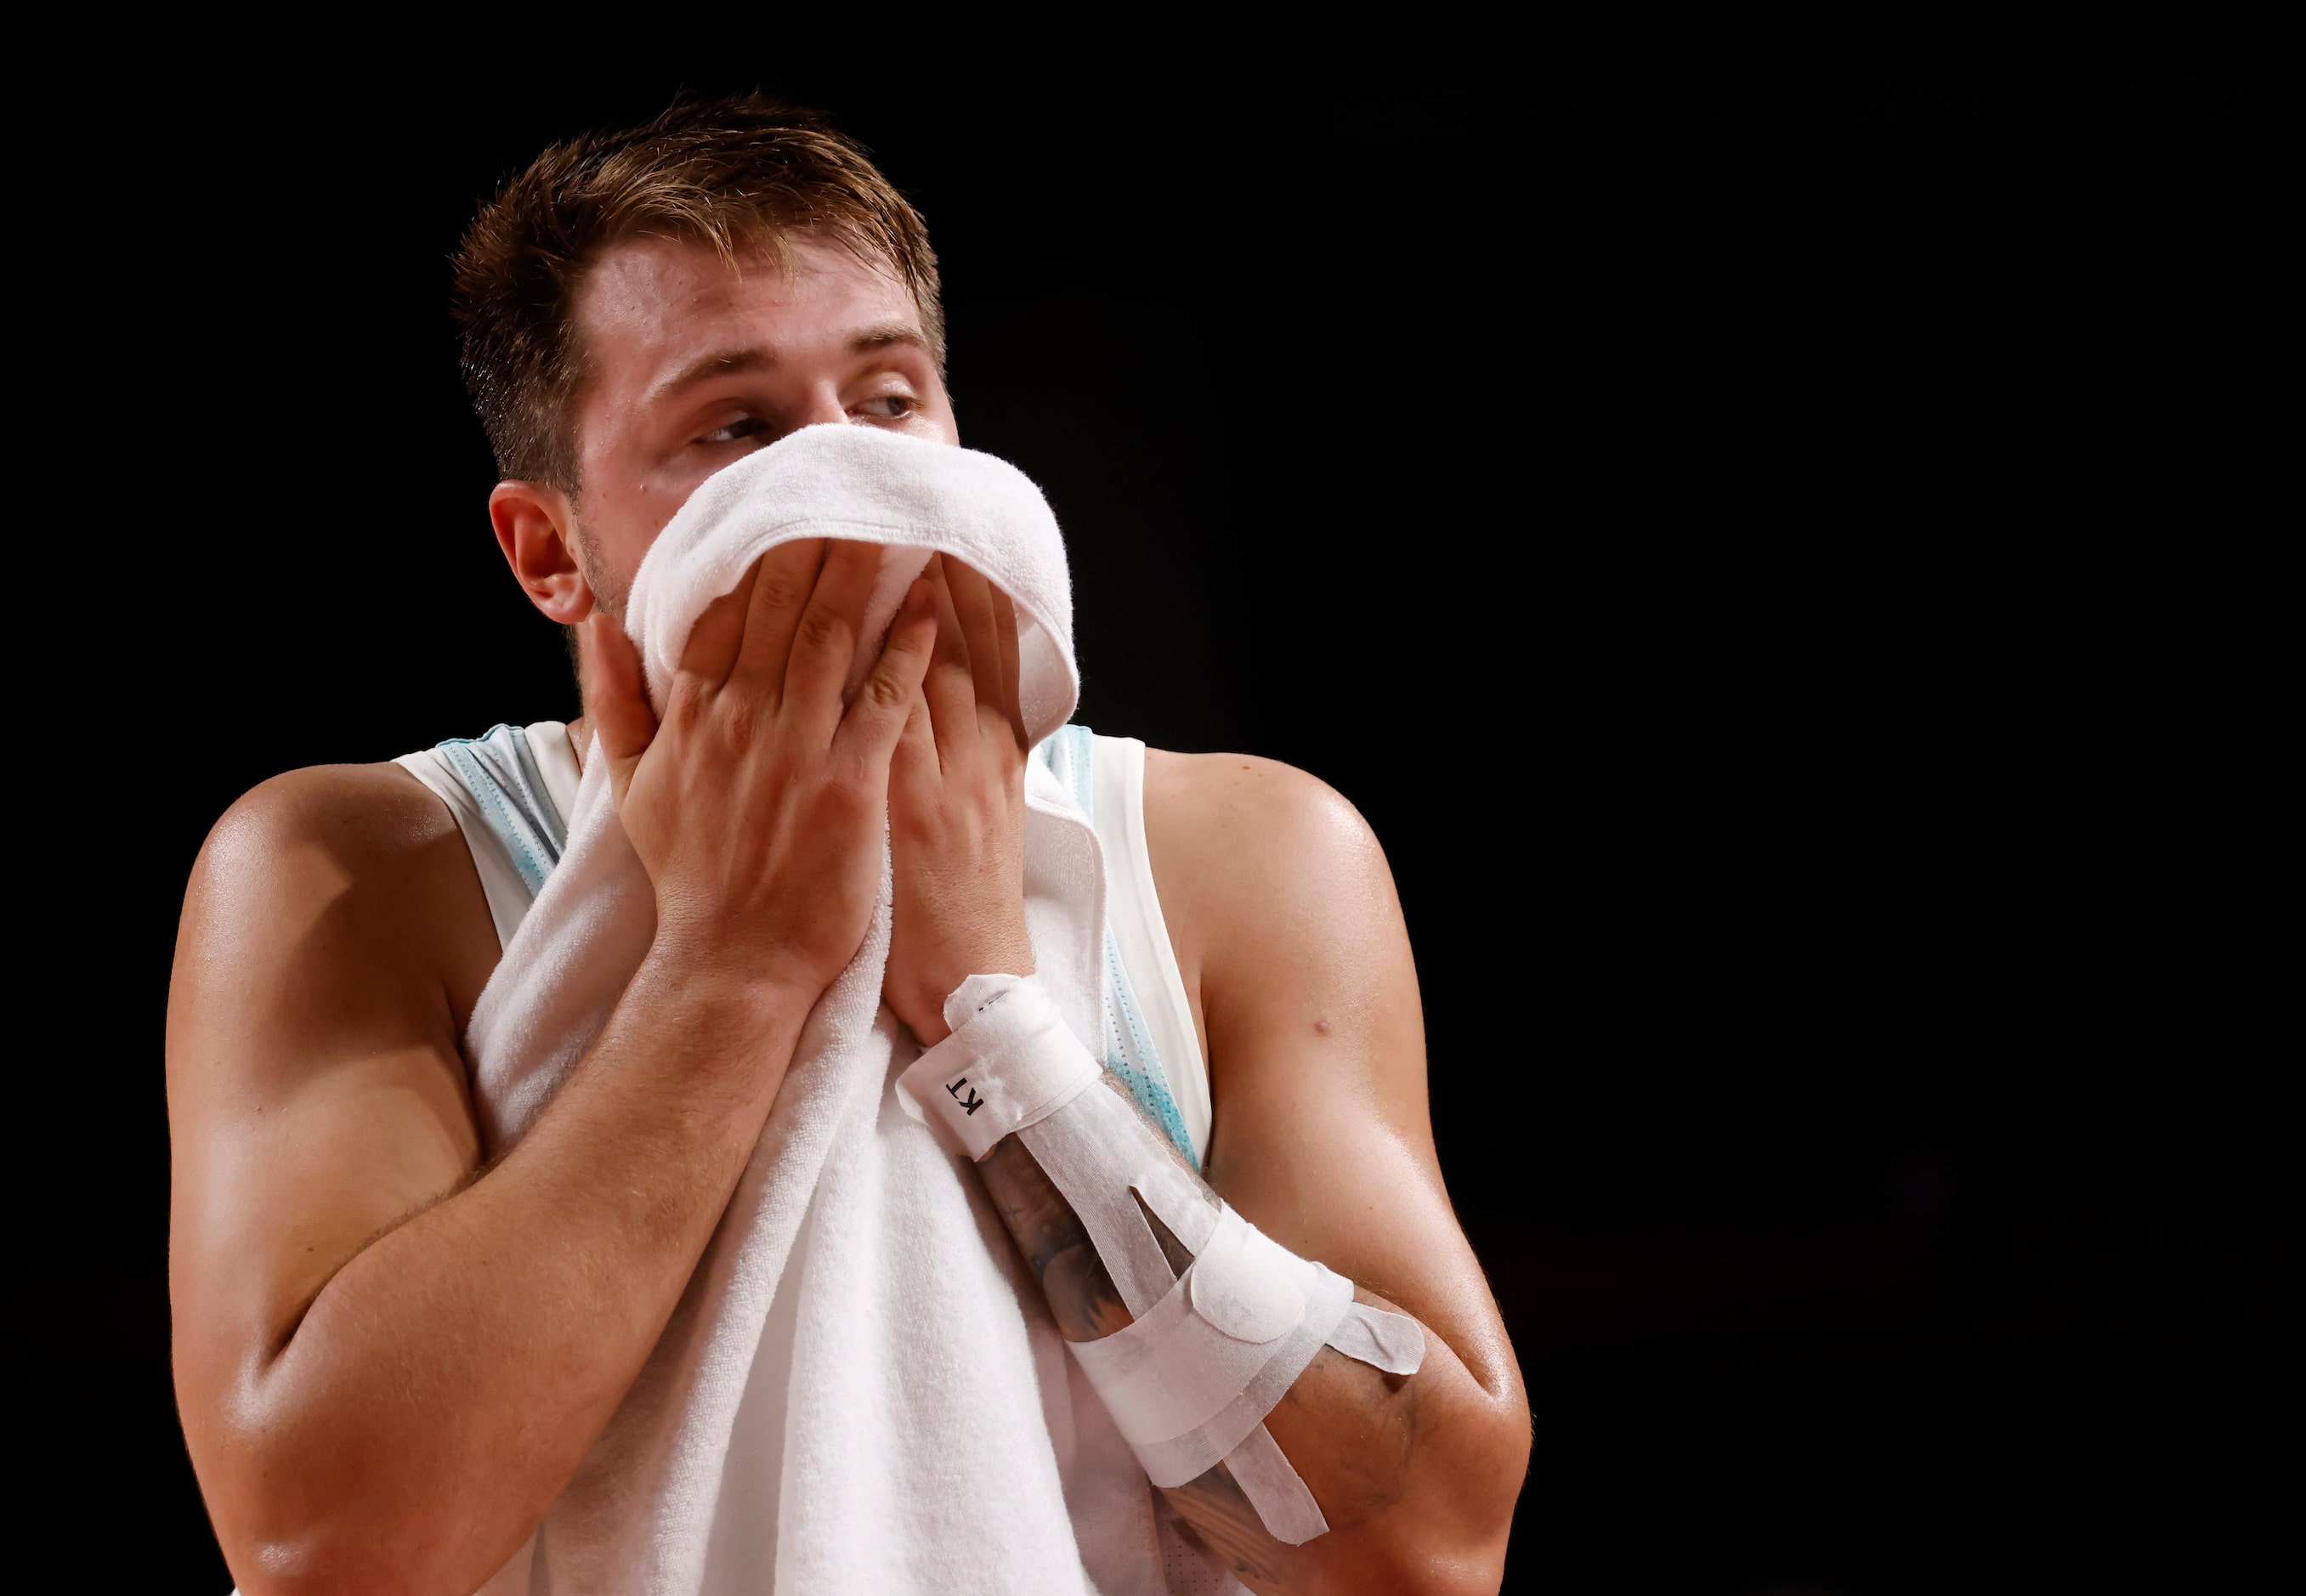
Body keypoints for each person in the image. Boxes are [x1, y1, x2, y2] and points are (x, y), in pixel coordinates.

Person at [166, 95, 1528, 1596]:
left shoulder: (1243, 853)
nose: (854, 476)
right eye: (735, 427)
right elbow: (321, 1545)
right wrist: (732, 967)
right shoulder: (359, 870)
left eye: (887, 402)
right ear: (553, 550)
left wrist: (989, 1011)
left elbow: (1428, 1545)